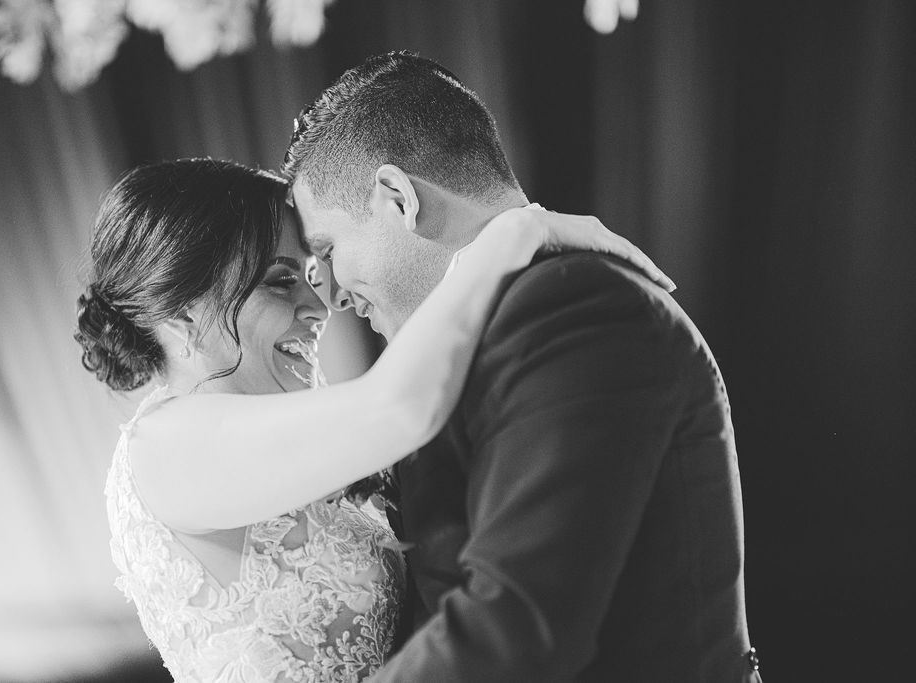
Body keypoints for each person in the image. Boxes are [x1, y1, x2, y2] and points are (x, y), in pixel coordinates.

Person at [75, 158, 671, 682]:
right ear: (182, 311)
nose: (318, 307)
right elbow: (403, 406)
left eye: (310, 274)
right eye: (280, 282)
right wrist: (515, 231)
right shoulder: (165, 444)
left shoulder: (278, 433)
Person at [282, 51, 761, 682]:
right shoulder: (483, 333)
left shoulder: (572, 308)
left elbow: (516, 627)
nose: (333, 296)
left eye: (328, 250)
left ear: (398, 198)